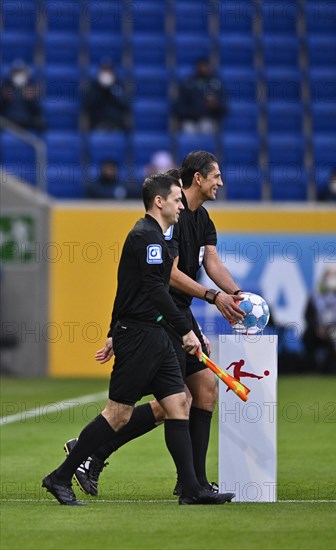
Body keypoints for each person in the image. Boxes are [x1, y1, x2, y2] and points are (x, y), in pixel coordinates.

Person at [42, 172, 235, 506]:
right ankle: (60, 476)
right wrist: (185, 329)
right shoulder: (146, 238)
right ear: (159, 202)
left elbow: (125, 289)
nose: (180, 206)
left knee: (177, 405)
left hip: (155, 335)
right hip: (141, 337)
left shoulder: (154, 238)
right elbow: (153, 292)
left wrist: (110, 331)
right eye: (176, 200)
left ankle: (191, 489)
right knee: (118, 414)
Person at [173, 60, 227, 134]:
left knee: (206, 126)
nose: (203, 69)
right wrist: (191, 113)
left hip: (207, 119)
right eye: (200, 67)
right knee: (188, 129)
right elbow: (178, 107)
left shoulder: (215, 85)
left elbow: (224, 107)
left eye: (205, 67)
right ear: (196, 68)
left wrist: (216, 106)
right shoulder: (188, 84)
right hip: (189, 120)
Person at [82, 60, 131, 131]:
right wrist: (101, 89)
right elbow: (88, 104)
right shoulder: (93, 86)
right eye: (104, 71)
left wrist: (112, 89)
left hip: (117, 126)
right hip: (97, 126)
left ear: (113, 73)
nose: (106, 75)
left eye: (108, 71)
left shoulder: (119, 86)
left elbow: (125, 104)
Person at [0, 60, 45, 131]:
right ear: (11, 74)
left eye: (21, 72)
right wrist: (5, 99)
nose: (19, 75)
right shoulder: (5, 88)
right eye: (16, 72)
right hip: (8, 123)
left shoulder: (32, 88)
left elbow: (38, 113)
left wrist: (30, 101)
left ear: (27, 74)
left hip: (26, 124)